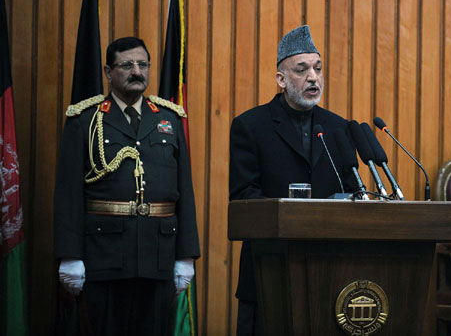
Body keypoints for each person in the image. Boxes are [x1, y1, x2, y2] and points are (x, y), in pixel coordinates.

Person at [54, 37, 200, 336]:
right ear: (108, 72)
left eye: (143, 64)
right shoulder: (85, 119)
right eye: (127, 65)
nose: (137, 71)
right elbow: (67, 194)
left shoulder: (169, 119)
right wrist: (70, 255)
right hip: (103, 255)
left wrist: (186, 256)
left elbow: (183, 190)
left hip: (158, 255)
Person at [229, 25, 356, 336]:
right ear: (281, 79)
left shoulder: (339, 128)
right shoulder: (251, 126)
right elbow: (245, 196)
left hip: (328, 270)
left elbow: (352, 192)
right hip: (269, 269)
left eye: (318, 68)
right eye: (302, 70)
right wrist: (293, 216)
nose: (313, 77)